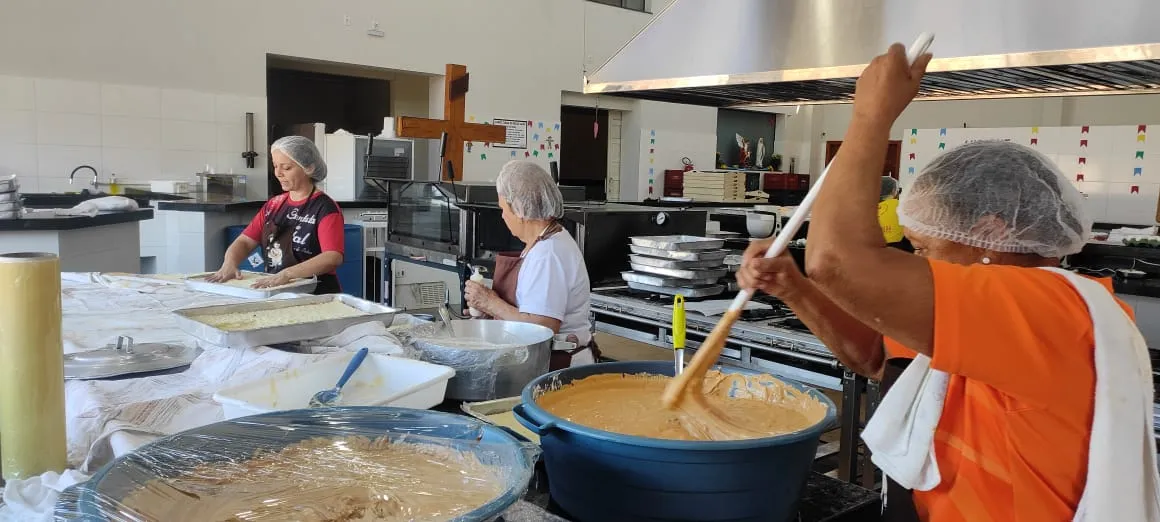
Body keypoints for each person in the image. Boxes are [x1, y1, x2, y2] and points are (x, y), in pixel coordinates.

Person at [738, 44, 1159, 521]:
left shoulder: (1052, 307)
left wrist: (871, 117)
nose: (919, 261)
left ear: (991, 231)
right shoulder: (985, 313)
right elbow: (874, 356)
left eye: (923, 249)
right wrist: (793, 287)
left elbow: (836, 261)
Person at [463, 160, 597, 370]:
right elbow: (529, 307)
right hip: (541, 361)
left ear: (520, 209)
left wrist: (490, 303)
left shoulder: (548, 254)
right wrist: (489, 308)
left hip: (558, 368)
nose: (503, 215)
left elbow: (542, 328)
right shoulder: (540, 244)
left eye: (503, 208)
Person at [207, 136, 345, 294]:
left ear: (309, 168)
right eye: (275, 166)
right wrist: (229, 263)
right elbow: (245, 241)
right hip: (277, 290)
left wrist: (288, 274)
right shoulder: (274, 205)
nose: (278, 173)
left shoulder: (324, 207)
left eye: (286, 168)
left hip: (316, 293)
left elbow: (332, 257)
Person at [878, 176, 913, 252]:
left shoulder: (865, 207)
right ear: (894, 190)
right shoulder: (903, 205)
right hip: (900, 250)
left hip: (870, 251)